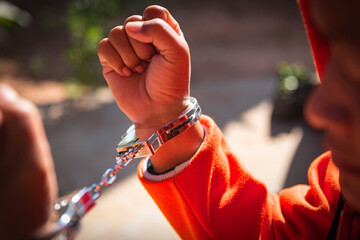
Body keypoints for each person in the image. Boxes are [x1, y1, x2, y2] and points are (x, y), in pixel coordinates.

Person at [98, 0, 360, 239]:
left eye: (354, 70)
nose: (316, 108)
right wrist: (163, 119)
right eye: (335, 59)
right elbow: (272, 234)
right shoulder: (343, 199)